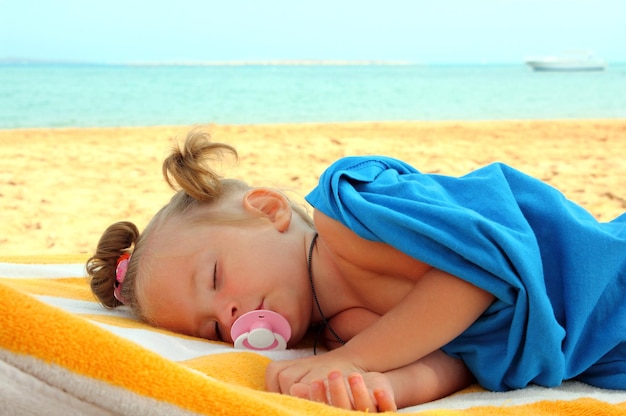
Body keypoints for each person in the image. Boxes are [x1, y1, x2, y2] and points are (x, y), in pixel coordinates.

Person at [87, 129, 626, 412]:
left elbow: (472, 274)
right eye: (210, 328)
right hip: (602, 349)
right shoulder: (339, 330)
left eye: (214, 279)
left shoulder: (350, 217)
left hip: (599, 274)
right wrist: (379, 386)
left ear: (270, 210)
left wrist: (356, 359)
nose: (229, 318)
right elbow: (459, 363)